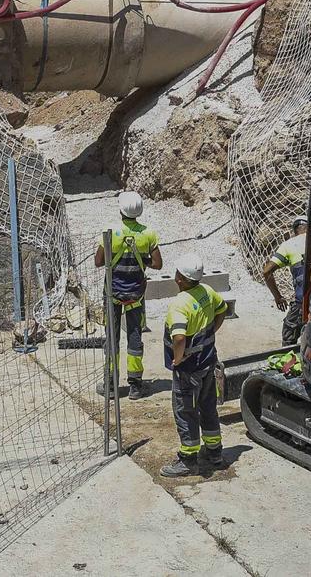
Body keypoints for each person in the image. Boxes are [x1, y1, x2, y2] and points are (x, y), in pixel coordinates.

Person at [160, 254, 227, 478]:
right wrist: (210, 334)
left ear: (180, 278)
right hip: (208, 361)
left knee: (186, 411)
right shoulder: (207, 291)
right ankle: (215, 452)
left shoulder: (180, 304)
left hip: (189, 370)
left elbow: (179, 338)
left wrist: (178, 359)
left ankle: (188, 461)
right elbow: (222, 309)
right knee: (208, 407)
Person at [94, 191, 163, 395]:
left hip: (112, 295)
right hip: (135, 296)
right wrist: (142, 260)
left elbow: (98, 262)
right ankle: (135, 386)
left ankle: (111, 385)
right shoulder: (148, 234)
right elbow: (158, 264)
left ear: (121, 210)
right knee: (134, 337)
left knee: (112, 338)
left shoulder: (110, 232)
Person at [262, 214, 311, 347]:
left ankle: (288, 362)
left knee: (289, 334)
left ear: (294, 230)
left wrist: (278, 297)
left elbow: (266, 271)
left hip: (302, 301)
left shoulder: (288, 245)